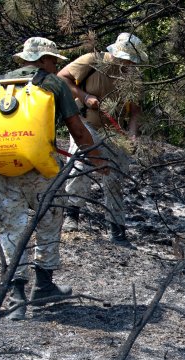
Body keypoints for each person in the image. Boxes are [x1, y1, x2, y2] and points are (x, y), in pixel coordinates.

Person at [0, 37, 104, 320]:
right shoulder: (53, 85)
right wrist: (100, 162)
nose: (55, 65)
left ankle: (16, 297)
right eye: (53, 60)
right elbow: (77, 129)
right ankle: (43, 286)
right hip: (42, 168)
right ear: (41, 60)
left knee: (10, 227)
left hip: (4, 166)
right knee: (49, 221)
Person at [58, 32, 146, 245]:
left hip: (116, 131)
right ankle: (72, 213)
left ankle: (117, 228)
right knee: (81, 165)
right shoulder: (92, 60)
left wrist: (132, 134)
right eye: (123, 58)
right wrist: (84, 96)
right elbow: (61, 78)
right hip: (86, 122)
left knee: (115, 177)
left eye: (130, 60)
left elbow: (134, 111)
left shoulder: (134, 77)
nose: (126, 63)